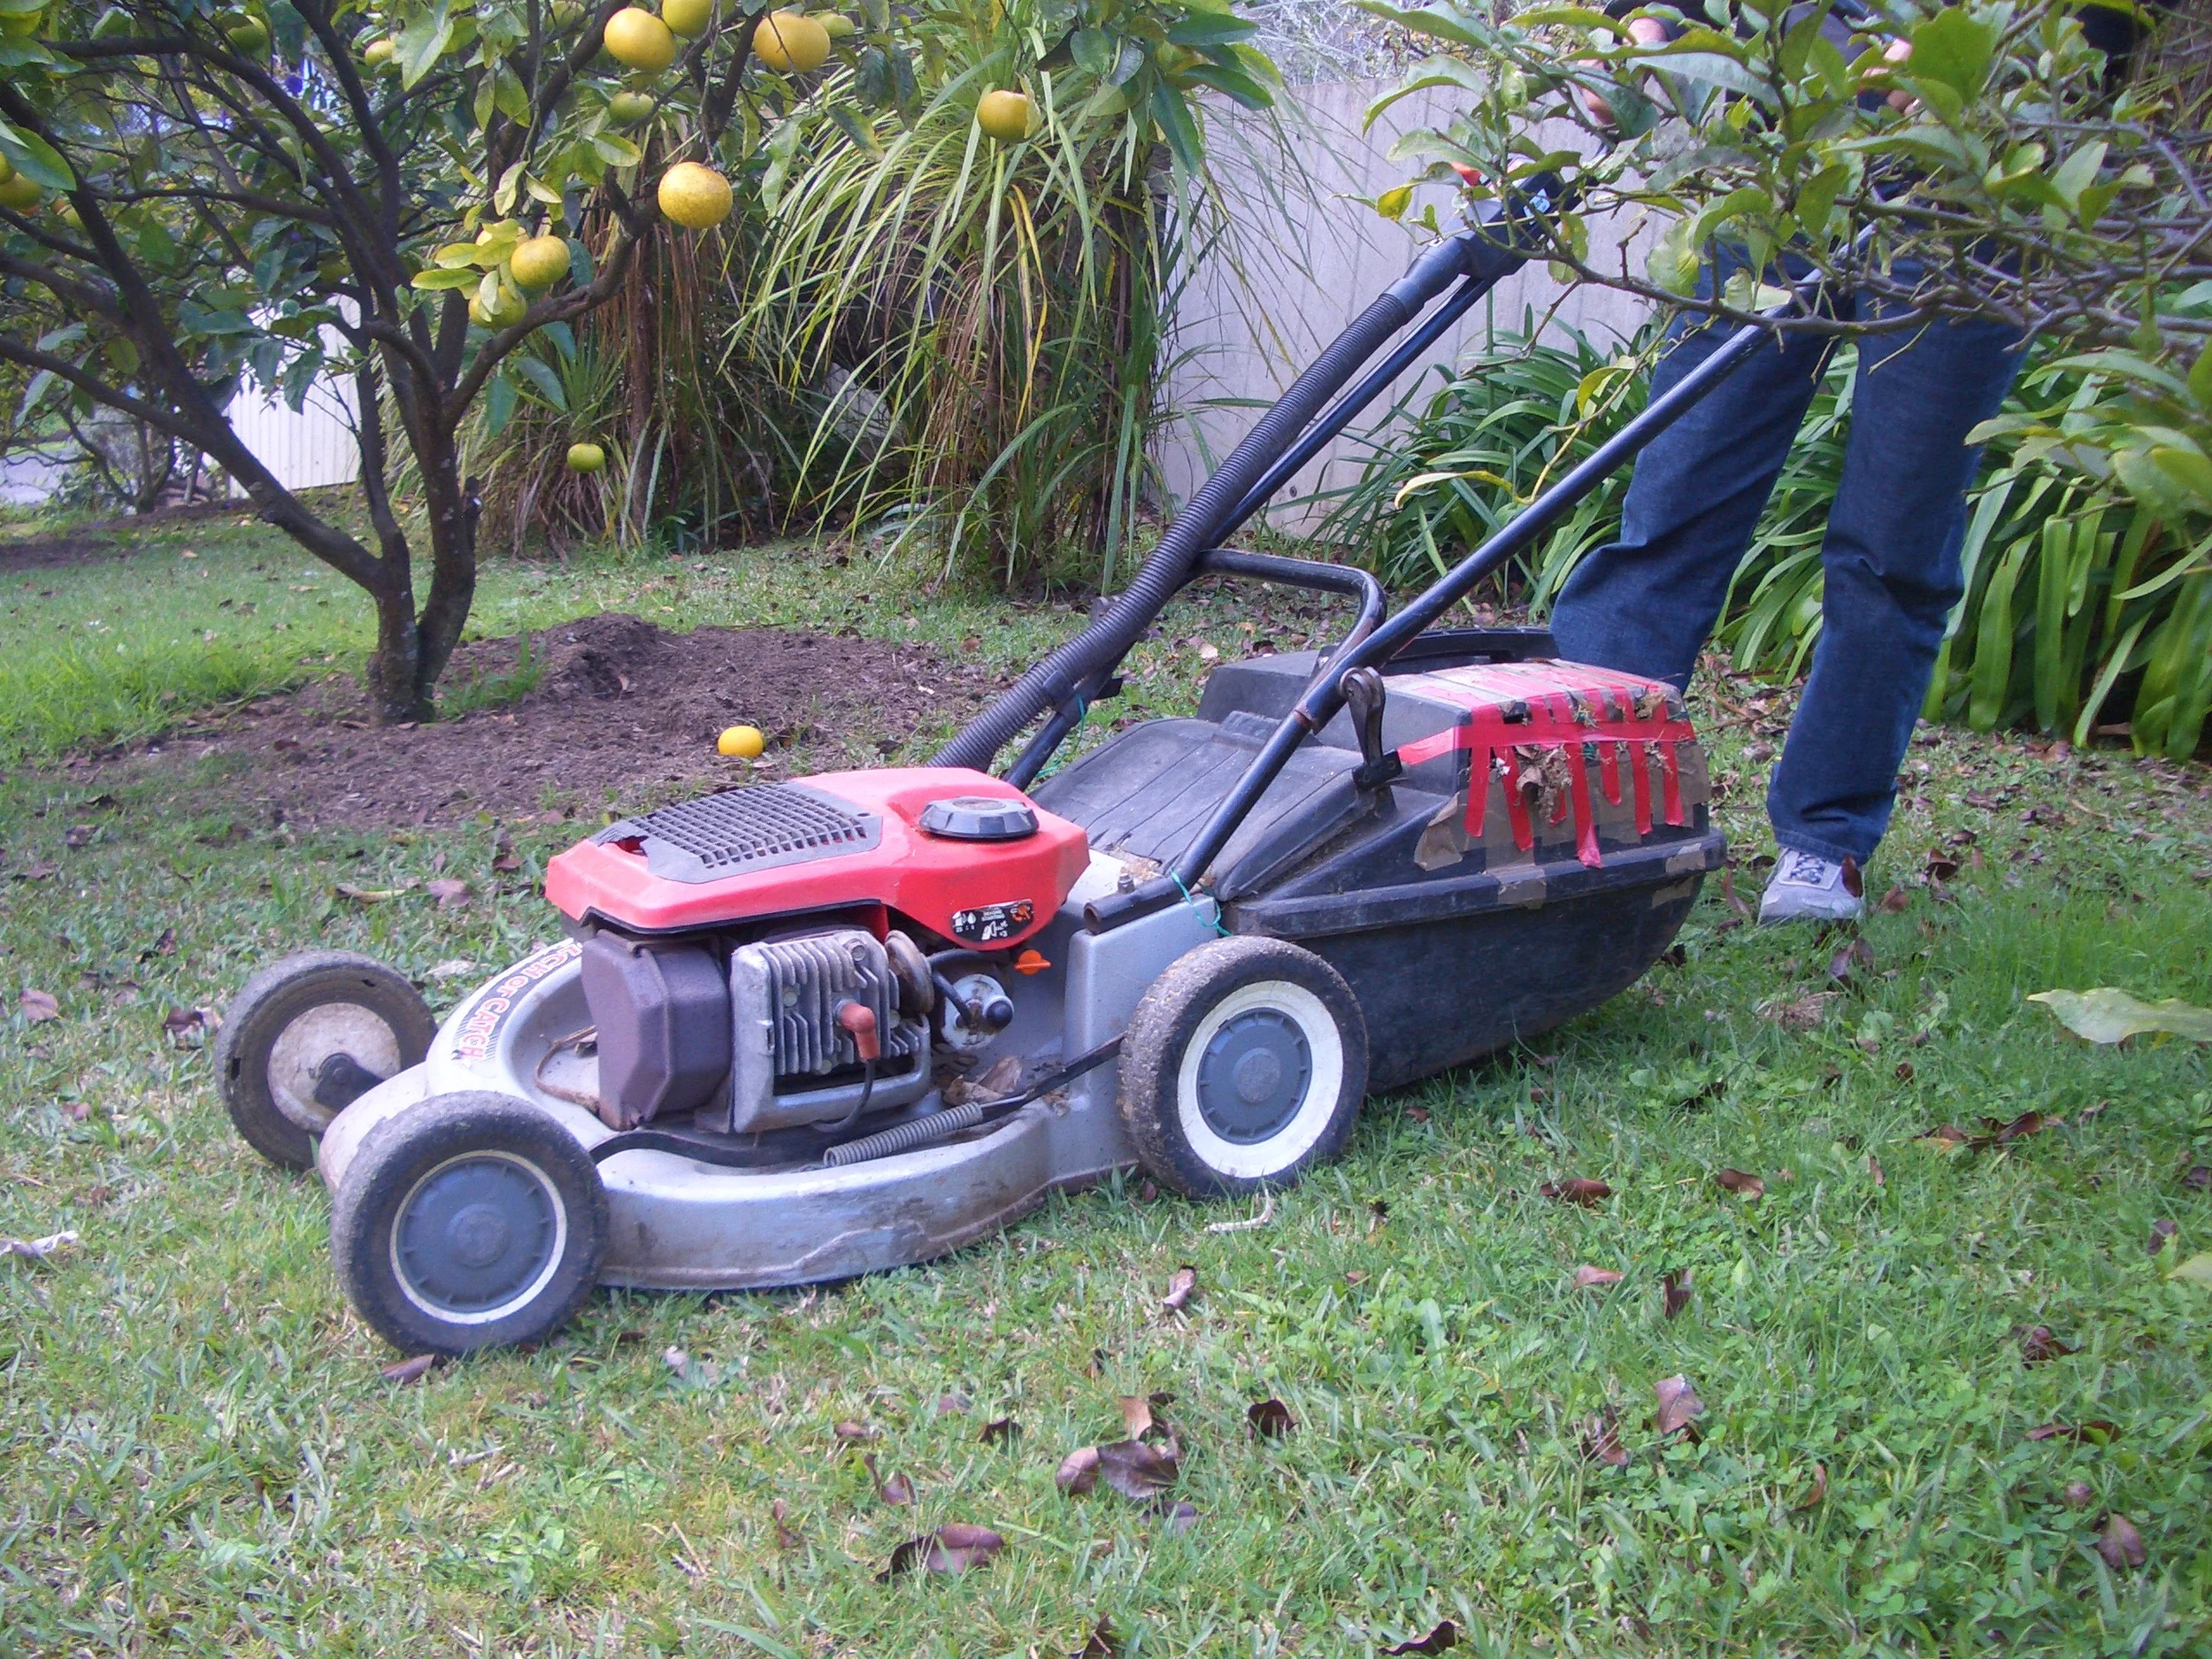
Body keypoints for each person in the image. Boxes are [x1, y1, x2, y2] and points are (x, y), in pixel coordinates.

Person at [1548, 9, 2136, 923]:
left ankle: (1824, 840)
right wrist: (1649, 23)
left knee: (1894, 541)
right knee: (1676, 502)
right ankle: (1577, 795)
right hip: (1779, 140)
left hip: (1972, 181)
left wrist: (1974, 55)